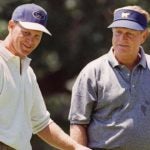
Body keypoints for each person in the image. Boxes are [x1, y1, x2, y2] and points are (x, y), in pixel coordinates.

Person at [0, 3, 92, 150]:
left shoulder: (27, 72)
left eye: (37, 36)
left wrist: (75, 147)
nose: (30, 41)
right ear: (11, 26)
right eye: (26, 33)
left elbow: (42, 123)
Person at [68, 5, 150, 150]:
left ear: (143, 36)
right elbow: (78, 123)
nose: (122, 38)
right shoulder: (92, 72)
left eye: (129, 33)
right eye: (118, 32)